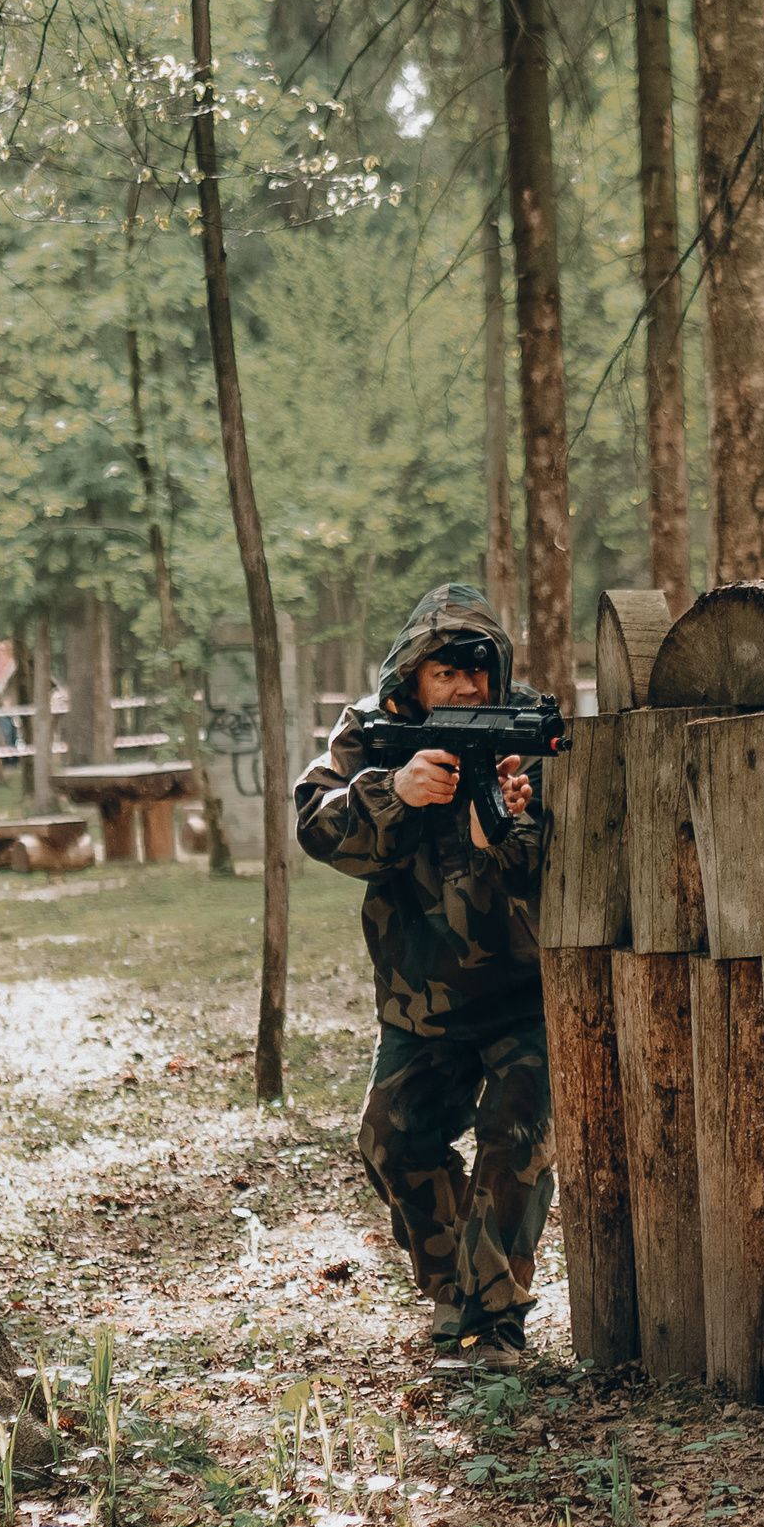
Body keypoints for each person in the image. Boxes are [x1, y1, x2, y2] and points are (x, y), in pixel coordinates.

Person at [296, 584, 551, 1371]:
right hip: (420, 997)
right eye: (446, 672)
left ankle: (493, 1325)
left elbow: (571, 860)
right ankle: (456, 1299)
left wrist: (506, 827)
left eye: (479, 669)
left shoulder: (531, 729)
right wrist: (393, 793)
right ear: (412, 679)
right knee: (392, 1144)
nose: (467, 687)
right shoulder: (372, 732)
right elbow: (317, 825)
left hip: (527, 995)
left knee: (514, 1148)